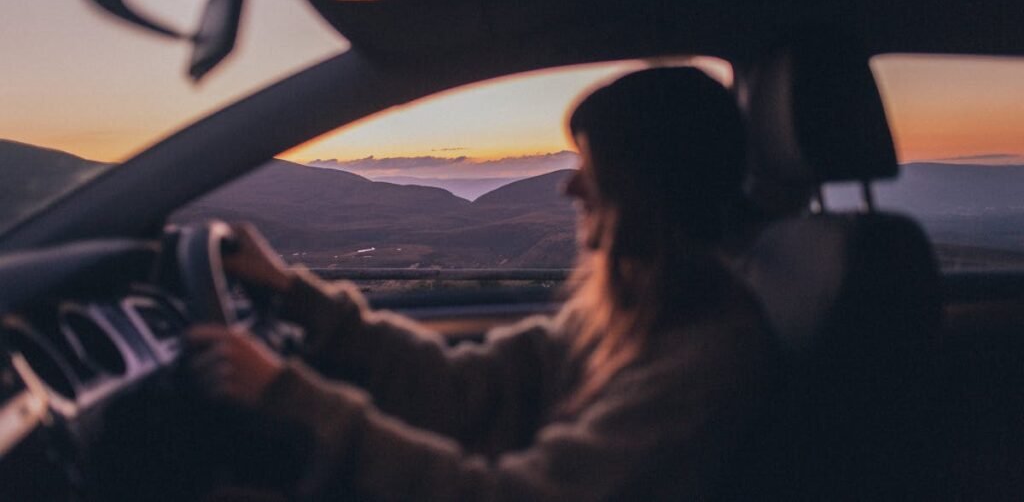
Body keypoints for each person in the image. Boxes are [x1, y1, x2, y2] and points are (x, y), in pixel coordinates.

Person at [186, 67, 779, 501]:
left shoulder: (704, 363)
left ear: (649, 190)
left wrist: (289, 396)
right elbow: (466, 388)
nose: (570, 190)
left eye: (591, 170)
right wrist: (295, 296)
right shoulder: (634, 309)